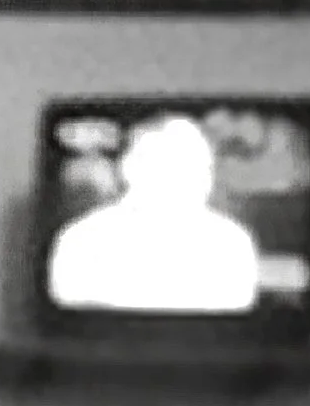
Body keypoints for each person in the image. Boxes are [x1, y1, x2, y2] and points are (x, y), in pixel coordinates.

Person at [48, 113, 261, 314]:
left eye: (201, 167)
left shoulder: (232, 243)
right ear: (130, 168)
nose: (192, 179)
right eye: (173, 165)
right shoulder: (81, 239)